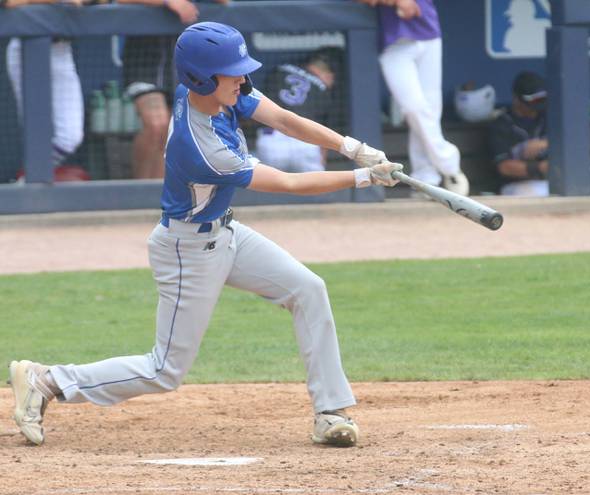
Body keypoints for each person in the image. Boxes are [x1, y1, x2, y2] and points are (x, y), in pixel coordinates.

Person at [8, 22, 401, 449]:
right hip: (188, 250)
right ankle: (46, 381)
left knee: (308, 288)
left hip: (226, 233)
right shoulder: (204, 149)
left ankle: (331, 412)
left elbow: (286, 119)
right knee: (165, 370)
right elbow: (289, 184)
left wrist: (352, 147)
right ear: (202, 77)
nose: (242, 79)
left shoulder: (218, 95)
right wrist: (361, 178)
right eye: (231, 72)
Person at [356, 0, 469, 196]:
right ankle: (449, 165)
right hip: (393, 43)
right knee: (413, 108)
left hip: (428, 31)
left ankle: (425, 181)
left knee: (430, 111)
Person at [116, 0, 209, 179]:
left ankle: (157, 196)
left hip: (182, 62)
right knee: (156, 124)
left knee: (172, 132)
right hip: (146, 61)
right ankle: (139, 192)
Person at [5, 0, 85, 177]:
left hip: (62, 50)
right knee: (36, 134)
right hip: (26, 47)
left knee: (70, 136)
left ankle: (27, 176)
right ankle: (32, 184)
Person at [255, 47, 344, 173]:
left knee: (262, 181)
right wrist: (321, 160)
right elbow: (325, 130)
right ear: (329, 75)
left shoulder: (279, 70)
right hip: (305, 143)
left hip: (272, 142)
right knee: (319, 184)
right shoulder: (324, 90)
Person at [487, 71, 549, 197]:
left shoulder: (548, 118)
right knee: (536, 193)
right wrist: (539, 168)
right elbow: (504, 167)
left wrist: (545, 144)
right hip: (514, 185)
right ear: (516, 99)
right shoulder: (502, 125)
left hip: (547, 182)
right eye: (532, 102)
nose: (535, 108)